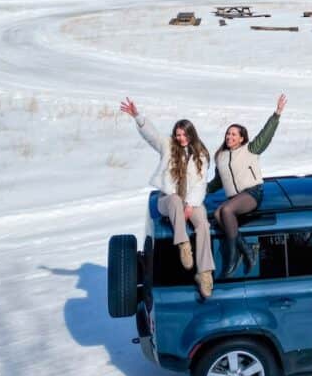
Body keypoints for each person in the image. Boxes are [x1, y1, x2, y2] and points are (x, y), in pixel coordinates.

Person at [120, 98, 215, 299]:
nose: (180, 138)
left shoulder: (201, 155)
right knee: (173, 199)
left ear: (191, 133)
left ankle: (205, 273)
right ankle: (183, 245)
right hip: (167, 200)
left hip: (192, 200)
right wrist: (138, 116)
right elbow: (151, 136)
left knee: (203, 225)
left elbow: (200, 183)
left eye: (184, 134)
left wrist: (190, 205)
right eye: (178, 134)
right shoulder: (168, 145)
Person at [209, 94, 287, 278]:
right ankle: (247, 248)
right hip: (234, 199)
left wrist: (276, 114)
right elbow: (217, 183)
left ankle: (233, 256)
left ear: (242, 138)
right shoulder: (220, 157)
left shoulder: (250, 150)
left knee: (226, 211)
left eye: (233, 134)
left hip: (252, 194)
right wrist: (197, 191)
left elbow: (265, 135)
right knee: (219, 214)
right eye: (228, 133)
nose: (229, 136)